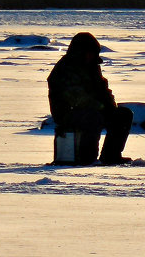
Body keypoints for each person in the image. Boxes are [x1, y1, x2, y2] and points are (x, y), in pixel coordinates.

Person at [47, 32, 133, 164]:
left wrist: (110, 106)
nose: (91, 56)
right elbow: (75, 97)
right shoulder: (65, 68)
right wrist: (100, 107)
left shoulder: (92, 67)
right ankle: (88, 158)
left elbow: (103, 90)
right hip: (67, 113)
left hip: (92, 109)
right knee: (93, 117)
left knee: (123, 115)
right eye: (89, 52)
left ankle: (111, 156)